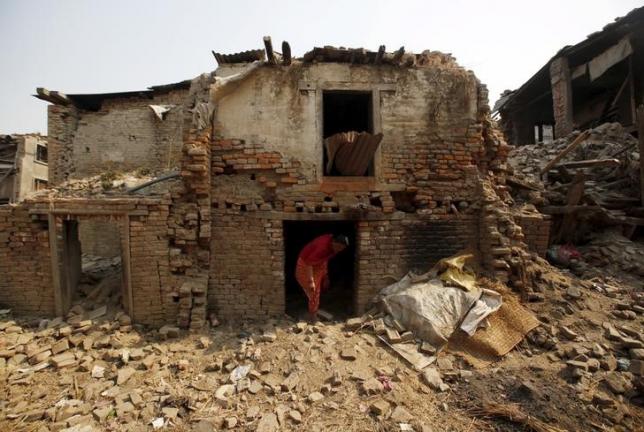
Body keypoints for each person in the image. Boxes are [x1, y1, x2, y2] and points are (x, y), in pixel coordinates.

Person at [295, 234, 349, 320]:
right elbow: (309, 263)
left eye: (342, 248)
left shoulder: (332, 245)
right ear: (333, 242)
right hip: (305, 263)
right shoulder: (322, 248)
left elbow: (324, 259)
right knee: (313, 290)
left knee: (317, 290)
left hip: (318, 263)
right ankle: (312, 315)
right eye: (338, 247)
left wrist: (325, 276)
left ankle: (313, 310)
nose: (339, 250)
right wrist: (311, 281)